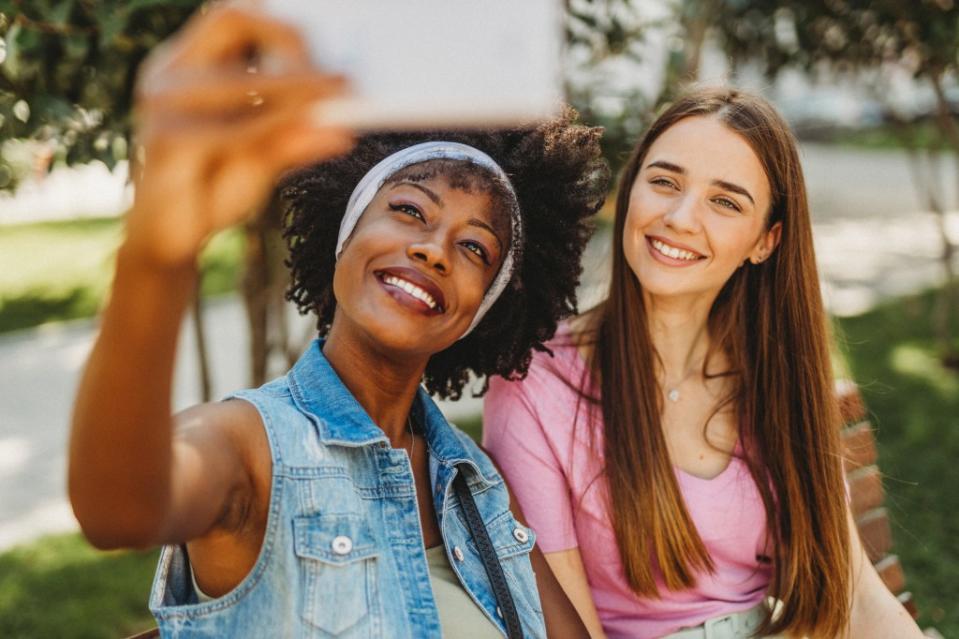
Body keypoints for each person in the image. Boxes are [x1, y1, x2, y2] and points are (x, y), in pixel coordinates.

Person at [67, 5, 609, 637]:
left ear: (482, 311)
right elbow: (118, 508)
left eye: (474, 249)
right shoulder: (253, 447)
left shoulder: (476, 482)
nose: (434, 248)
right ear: (345, 231)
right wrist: (157, 254)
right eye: (409, 209)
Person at [482, 87, 925, 639]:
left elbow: (854, 591)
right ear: (630, 190)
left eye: (726, 201)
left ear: (766, 240)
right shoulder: (536, 384)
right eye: (664, 181)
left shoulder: (776, 372)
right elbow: (564, 627)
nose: (680, 217)